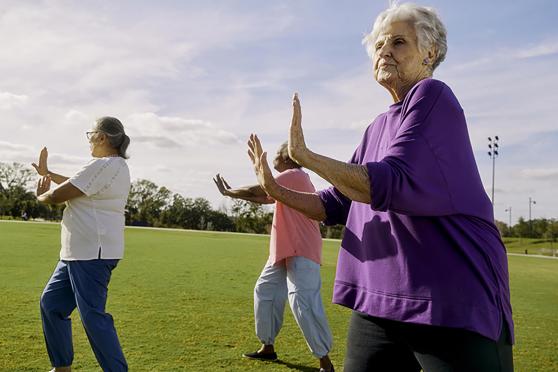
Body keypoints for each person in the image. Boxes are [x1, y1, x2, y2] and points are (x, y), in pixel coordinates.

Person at [246, 3, 514, 371]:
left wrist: (305, 156)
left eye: (399, 42)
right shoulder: (376, 127)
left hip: (450, 302)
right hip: (378, 305)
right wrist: (276, 191)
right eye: (379, 45)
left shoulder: (432, 96)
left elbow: (389, 181)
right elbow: (336, 203)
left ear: (430, 53)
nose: (384, 51)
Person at [214, 141, 335, 372]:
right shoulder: (287, 180)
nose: (273, 161)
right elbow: (262, 197)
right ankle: (267, 347)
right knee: (265, 290)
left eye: (275, 157)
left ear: (286, 158)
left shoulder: (294, 175)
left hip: (302, 246)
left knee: (302, 301)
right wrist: (254, 175)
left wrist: (230, 191)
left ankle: (325, 362)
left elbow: (258, 190)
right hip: (283, 248)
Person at [34, 117, 131, 372]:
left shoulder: (105, 164)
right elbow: (76, 183)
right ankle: (62, 367)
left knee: (93, 316)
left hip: (92, 253)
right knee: (52, 304)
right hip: (76, 253)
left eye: (90, 134)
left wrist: (41, 196)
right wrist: (47, 173)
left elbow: (58, 195)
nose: (89, 140)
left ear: (102, 138)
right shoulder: (107, 167)